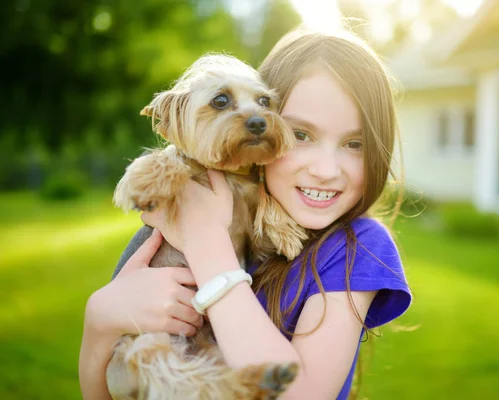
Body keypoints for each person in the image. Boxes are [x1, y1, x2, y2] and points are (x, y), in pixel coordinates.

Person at [79, 27, 411, 399]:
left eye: (355, 143)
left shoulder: (355, 248)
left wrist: (206, 242)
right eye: (300, 135)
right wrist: (98, 323)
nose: (325, 169)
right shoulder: (212, 200)